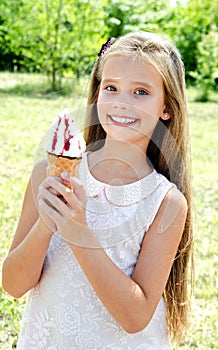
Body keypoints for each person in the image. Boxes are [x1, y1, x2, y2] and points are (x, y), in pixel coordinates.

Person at [2, 31, 193, 349]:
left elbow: (136, 317)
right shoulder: (47, 174)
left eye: (141, 92)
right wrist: (47, 224)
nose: (121, 102)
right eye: (111, 87)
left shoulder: (165, 202)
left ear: (167, 108)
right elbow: (12, 284)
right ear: (97, 93)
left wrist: (77, 230)